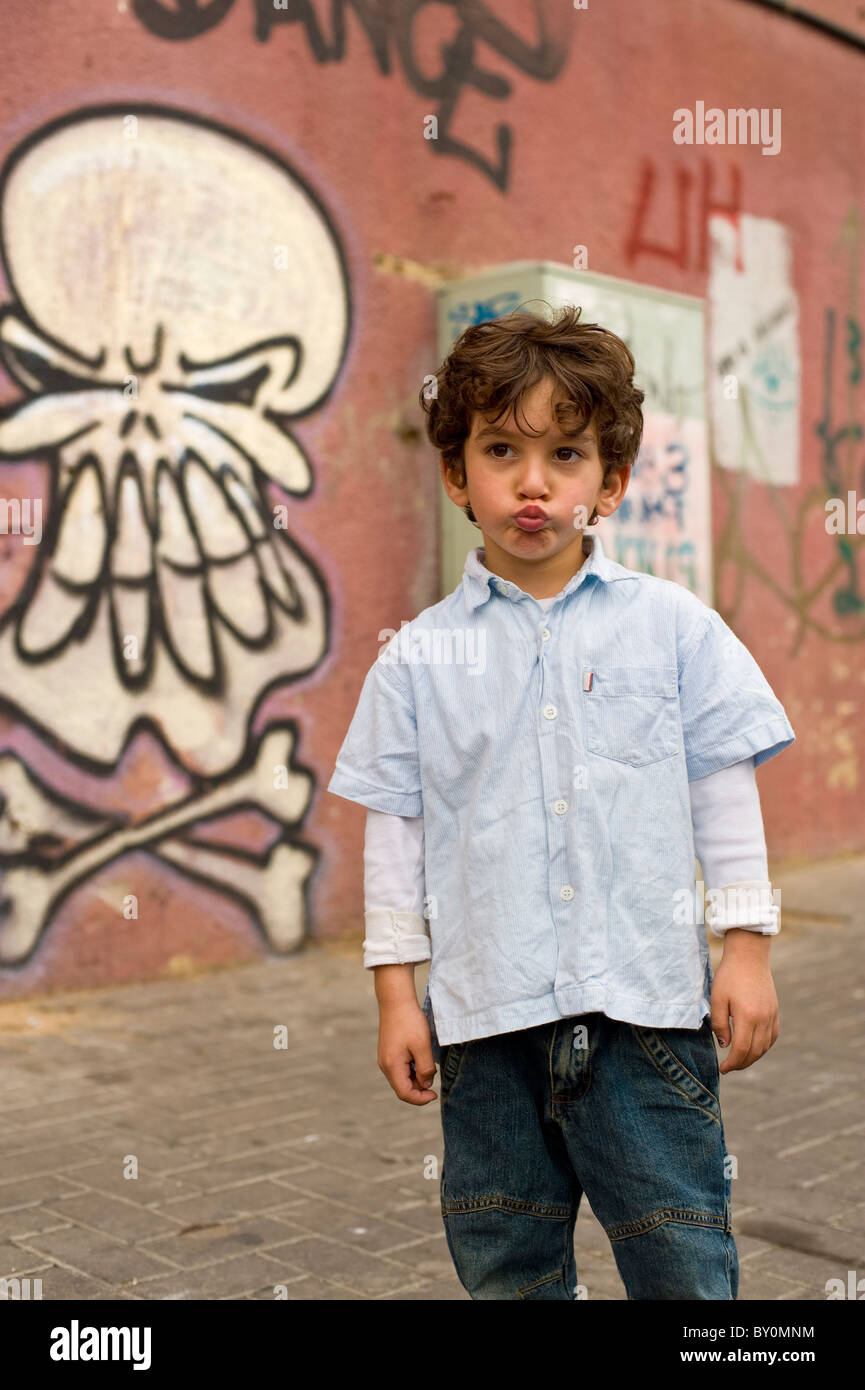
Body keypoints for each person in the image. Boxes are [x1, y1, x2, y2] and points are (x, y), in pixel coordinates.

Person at [327, 303, 795, 1300]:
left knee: (683, 1265)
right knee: (507, 1269)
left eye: (567, 454)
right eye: (501, 449)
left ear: (611, 480)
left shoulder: (670, 627)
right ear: (456, 473)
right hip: (482, 1031)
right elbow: (396, 834)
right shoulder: (416, 661)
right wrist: (394, 995)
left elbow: (723, 786)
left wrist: (745, 945)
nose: (533, 482)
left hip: (644, 1021)